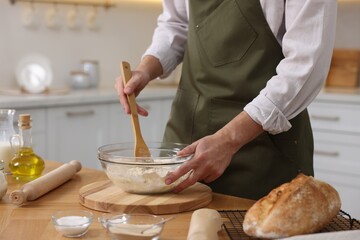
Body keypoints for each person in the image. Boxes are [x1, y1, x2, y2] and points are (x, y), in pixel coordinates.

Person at [115, 0, 338, 200]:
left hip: (263, 148)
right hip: (185, 137)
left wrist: (228, 140)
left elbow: (306, 66)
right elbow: (176, 24)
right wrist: (145, 70)